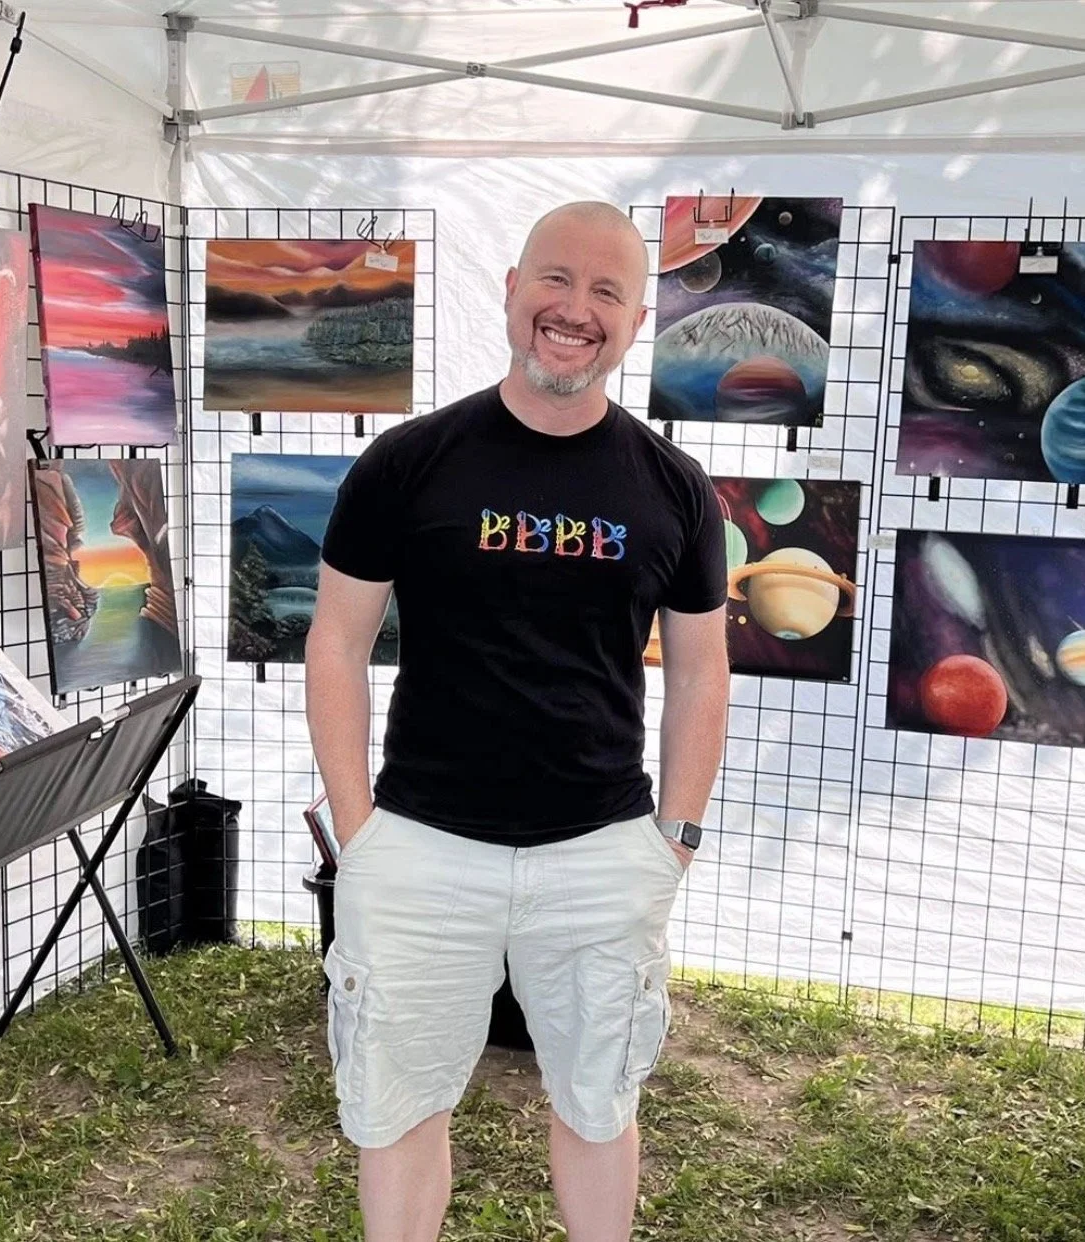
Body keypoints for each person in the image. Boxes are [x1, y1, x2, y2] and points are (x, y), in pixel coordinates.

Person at [305, 201, 730, 1242]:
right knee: (399, 1111)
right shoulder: (407, 462)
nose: (575, 310)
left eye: (606, 292)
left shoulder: (676, 489)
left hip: (600, 854)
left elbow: (701, 670)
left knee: (597, 1105)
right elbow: (335, 644)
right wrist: (358, 832)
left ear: (635, 323)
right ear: (510, 290)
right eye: (555, 279)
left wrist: (673, 837)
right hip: (419, 849)